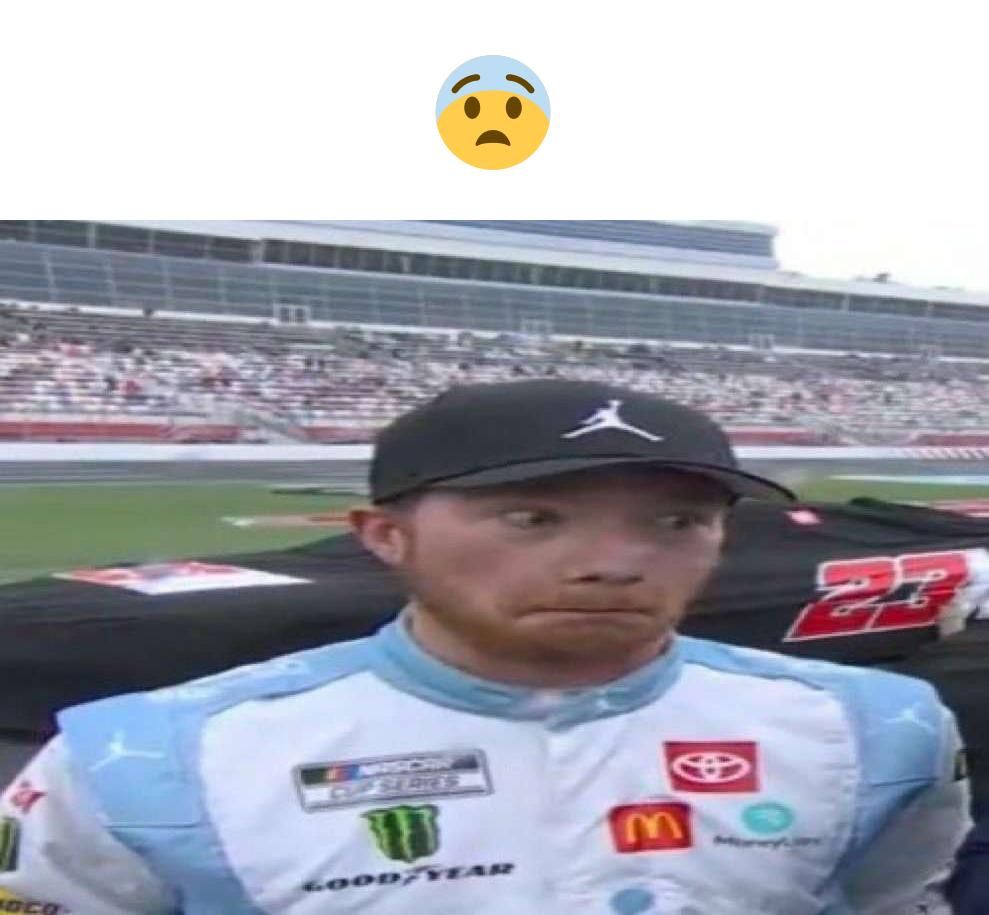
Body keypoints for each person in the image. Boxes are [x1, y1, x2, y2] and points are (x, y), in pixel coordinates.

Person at [0, 379, 971, 914]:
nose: (612, 563)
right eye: (532, 518)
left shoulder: (876, 729)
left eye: (674, 523)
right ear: (383, 535)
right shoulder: (141, 759)